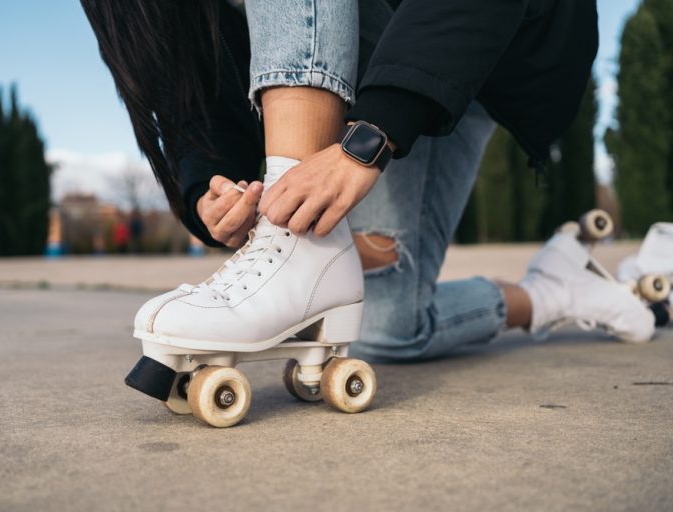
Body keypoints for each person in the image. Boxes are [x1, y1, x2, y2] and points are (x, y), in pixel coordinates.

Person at [81, 0, 655, 368]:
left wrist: (374, 134)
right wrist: (208, 184)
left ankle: (298, 251)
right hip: (357, 62)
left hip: (474, 42)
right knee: (386, 327)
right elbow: (185, 71)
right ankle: (557, 289)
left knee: (338, 296)